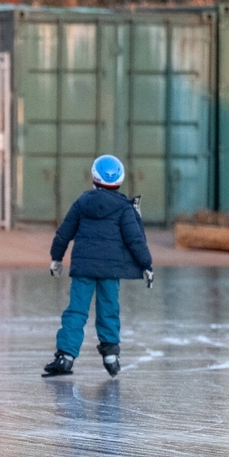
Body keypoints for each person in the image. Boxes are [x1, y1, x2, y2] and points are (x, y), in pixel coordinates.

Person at [43, 155, 154, 378]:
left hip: (83, 268)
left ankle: (65, 356)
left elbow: (64, 233)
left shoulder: (82, 203)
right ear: (120, 180)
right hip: (110, 271)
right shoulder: (124, 208)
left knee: (76, 310)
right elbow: (135, 240)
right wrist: (146, 264)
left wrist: (56, 258)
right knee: (109, 310)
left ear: (93, 177)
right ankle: (111, 355)